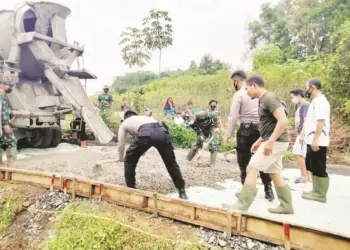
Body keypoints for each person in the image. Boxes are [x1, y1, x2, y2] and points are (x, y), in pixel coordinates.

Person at [223, 75, 294, 214]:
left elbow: (283, 121)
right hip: (272, 140)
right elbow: (270, 125)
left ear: (254, 85)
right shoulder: (262, 100)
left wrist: (270, 142)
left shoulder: (269, 98)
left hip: (276, 142)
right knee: (274, 173)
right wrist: (260, 140)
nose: (246, 91)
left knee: (251, 168)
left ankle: (241, 205)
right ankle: (287, 206)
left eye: (247, 88)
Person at [224, 70, 274, 201]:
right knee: (263, 159)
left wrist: (228, 134)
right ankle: (268, 189)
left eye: (233, 82)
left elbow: (233, 115)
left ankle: (246, 191)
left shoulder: (240, 94)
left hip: (246, 130)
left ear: (237, 81)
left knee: (243, 161)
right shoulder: (260, 92)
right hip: (262, 130)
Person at [117, 111, 188, 199]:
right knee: (171, 163)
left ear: (125, 118)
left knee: (129, 159)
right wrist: (141, 152)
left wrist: (121, 158)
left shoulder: (125, 123)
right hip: (163, 131)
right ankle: (182, 191)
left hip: (146, 133)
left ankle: (131, 189)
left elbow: (121, 143)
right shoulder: (143, 118)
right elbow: (144, 141)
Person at [301, 78, 330, 203]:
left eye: (307, 86)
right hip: (311, 139)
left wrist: (315, 140)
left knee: (319, 167)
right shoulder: (315, 101)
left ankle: (320, 194)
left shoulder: (320, 102)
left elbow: (320, 122)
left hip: (318, 140)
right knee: (312, 166)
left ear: (312, 87)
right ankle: (315, 190)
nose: (306, 89)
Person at [290, 88, 310, 183]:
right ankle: (307, 176)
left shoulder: (305, 105)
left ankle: (304, 176)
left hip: (303, 134)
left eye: (293, 97)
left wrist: (302, 134)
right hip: (301, 133)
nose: (292, 99)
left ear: (298, 96)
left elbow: (306, 120)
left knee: (298, 153)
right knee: (301, 154)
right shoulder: (300, 105)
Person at [0, 79, 17, 164]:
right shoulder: (1, 97)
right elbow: (1, 111)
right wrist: (5, 124)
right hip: (3, 124)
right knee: (11, 141)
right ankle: (11, 163)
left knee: (2, 141)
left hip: (2, 124)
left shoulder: (3, 96)